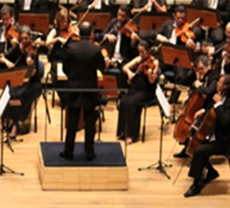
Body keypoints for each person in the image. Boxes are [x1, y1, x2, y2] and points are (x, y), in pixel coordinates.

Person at [184, 74, 230, 197]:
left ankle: (196, 184)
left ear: (225, 87)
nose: (217, 84)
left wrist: (218, 105)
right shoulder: (219, 97)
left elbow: (225, 122)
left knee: (199, 151)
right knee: (193, 142)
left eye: (219, 82)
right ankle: (211, 172)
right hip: (214, 135)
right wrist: (203, 111)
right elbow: (211, 108)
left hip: (224, 141)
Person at [61, 22, 106, 161]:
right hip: (90, 88)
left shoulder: (71, 48)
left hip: (74, 88)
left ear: (79, 33)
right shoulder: (95, 49)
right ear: (91, 34)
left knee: (73, 121)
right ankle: (89, 152)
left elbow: (65, 68)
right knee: (90, 122)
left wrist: (74, 77)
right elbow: (102, 67)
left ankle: (69, 151)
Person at [0, 26, 43, 137]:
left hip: (32, 84)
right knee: (10, 93)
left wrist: (30, 65)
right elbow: (1, 56)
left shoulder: (33, 52)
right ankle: (11, 121)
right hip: (18, 81)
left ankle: (16, 124)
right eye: (21, 39)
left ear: (30, 39)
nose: (24, 41)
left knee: (18, 95)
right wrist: (7, 62)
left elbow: (34, 74)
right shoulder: (17, 48)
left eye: (26, 39)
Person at [116, 41, 159, 144]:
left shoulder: (155, 62)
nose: (140, 54)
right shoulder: (139, 59)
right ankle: (122, 131)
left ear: (148, 52)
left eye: (142, 52)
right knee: (124, 101)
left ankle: (131, 135)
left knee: (132, 103)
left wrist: (150, 74)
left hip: (146, 91)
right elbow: (124, 67)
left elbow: (152, 81)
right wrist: (130, 73)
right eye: (139, 52)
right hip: (135, 88)